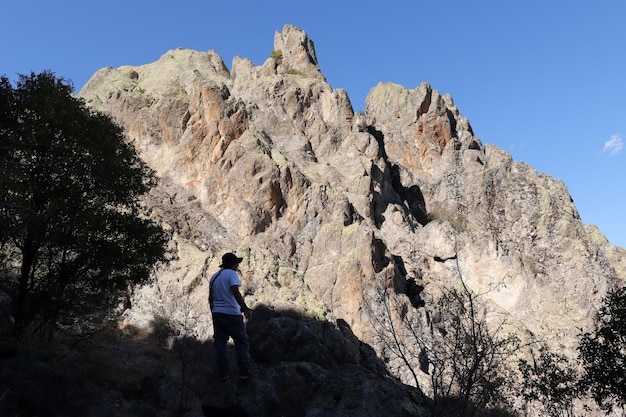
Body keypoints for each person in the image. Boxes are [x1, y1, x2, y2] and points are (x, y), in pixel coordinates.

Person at [209, 252, 252, 381]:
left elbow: (210, 298)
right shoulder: (231, 274)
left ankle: (223, 374)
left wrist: (214, 311)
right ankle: (244, 373)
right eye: (236, 263)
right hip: (232, 313)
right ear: (232, 264)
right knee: (241, 342)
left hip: (217, 314)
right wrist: (244, 308)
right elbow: (235, 291)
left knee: (220, 344)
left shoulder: (214, 277)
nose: (237, 266)